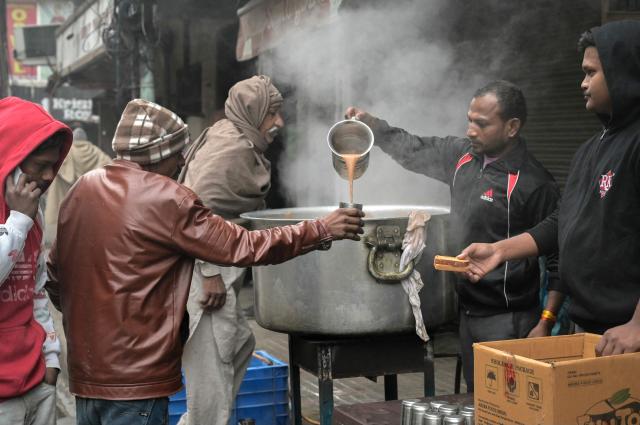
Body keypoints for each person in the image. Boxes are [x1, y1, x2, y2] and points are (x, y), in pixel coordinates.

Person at [45, 98, 364, 425]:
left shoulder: (82, 189)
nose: (183, 159)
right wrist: (321, 229)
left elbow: (55, 278)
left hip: (86, 378)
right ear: (158, 155)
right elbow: (244, 246)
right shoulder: (165, 197)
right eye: (176, 153)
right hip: (136, 382)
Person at [346, 80, 561, 392]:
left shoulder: (533, 183)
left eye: (482, 123)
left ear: (512, 127)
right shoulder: (462, 156)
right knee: (479, 402)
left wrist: (546, 322)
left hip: (509, 320)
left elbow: (558, 258)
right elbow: (413, 148)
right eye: (469, 120)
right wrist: (373, 127)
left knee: (508, 406)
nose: (471, 130)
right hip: (467, 313)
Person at [460, 20, 640, 357]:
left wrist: (638, 325)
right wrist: (500, 250)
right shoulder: (592, 148)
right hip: (593, 327)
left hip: (630, 335)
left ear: (623, 71)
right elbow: (562, 222)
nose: (582, 83)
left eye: (591, 73)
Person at [175, 75, 283, 425]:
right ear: (253, 113)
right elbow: (193, 212)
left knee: (239, 343)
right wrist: (209, 273)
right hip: (207, 267)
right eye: (272, 114)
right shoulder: (231, 149)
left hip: (219, 262)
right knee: (212, 368)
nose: (278, 123)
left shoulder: (238, 139)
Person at [0, 97, 72, 424]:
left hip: (35, 382)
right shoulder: (22, 213)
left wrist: (51, 359)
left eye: (53, 165)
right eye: (39, 164)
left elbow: (36, 289)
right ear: (11, 157)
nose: (47, 176)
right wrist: (16, 221)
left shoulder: (32, 209)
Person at [44, 127, 111, 246]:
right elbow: (110, 166)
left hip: (63, 199)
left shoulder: (65, 152)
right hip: (88, 202)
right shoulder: (96, 152)